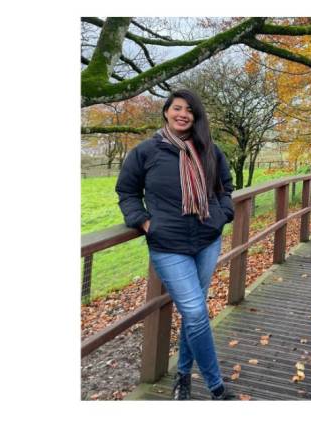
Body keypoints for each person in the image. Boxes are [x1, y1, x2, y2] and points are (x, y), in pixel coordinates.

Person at [115, 89, 236, 400]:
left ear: (195, 117)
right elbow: (127, 191)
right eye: (177, 108)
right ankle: (216, 386)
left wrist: (223, 214)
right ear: (166, 112)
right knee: (196, 312)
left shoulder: (208, 149)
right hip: (168, 245)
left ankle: (183, 373)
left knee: (192, 312)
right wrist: (143, 222)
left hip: (207, 240)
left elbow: (224, 185)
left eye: (189, 110)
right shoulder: (146, 151)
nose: (183, 114)